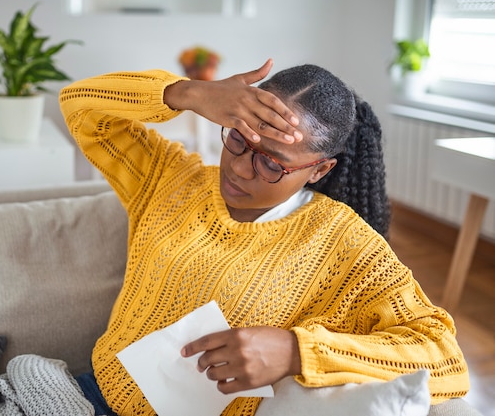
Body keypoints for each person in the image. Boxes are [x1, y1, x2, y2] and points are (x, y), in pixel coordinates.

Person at [59, 59, 469, 416]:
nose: (239, 169)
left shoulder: (344, 245)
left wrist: (295, 352)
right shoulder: (170, 180)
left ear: (318, 170)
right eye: (237, 138)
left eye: (271, 163)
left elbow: (445, 360)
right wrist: (188, 93)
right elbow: (79, 105)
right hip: (84, 395)